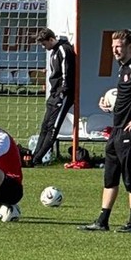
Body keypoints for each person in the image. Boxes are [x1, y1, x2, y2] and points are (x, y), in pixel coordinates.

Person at [80, 29, 131, 234]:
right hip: (116, 131)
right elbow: (127, 99)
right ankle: (102, 220)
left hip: (130, 133)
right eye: (113, 47)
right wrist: (109, 106)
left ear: (130, 47)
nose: (115, 50)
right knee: (110, 177)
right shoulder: (122, 69)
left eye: (119, 47)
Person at [28, 28, 76, 166]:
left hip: (63, 95)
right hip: (54, 94)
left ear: (51, 39)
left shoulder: (63, 49)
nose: (44, 47)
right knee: (45, 126)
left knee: (53, 128)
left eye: (44, 44)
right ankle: (34, 156)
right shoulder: (54, 52)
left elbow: (67, 72)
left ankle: (38, 159)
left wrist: (62, 92)